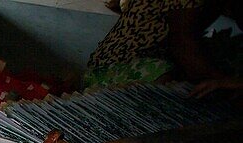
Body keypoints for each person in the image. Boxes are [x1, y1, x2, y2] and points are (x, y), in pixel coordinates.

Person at [85, 0, 237, 88]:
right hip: (110, 70)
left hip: (149, 62)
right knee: (168, 75)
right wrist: (220, 81)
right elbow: (182, 43)